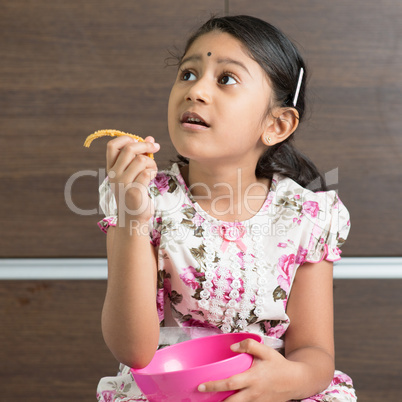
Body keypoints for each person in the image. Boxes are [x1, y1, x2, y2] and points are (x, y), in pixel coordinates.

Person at [96, 15, 357, 402]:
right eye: (187, 73)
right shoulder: (142, 199)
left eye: (226, 79)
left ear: (277, 124)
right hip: (169, 390)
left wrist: (281, 382)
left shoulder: (307, 215)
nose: (196, 90)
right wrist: (133, 217)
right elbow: (133, 351)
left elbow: (315, 354)